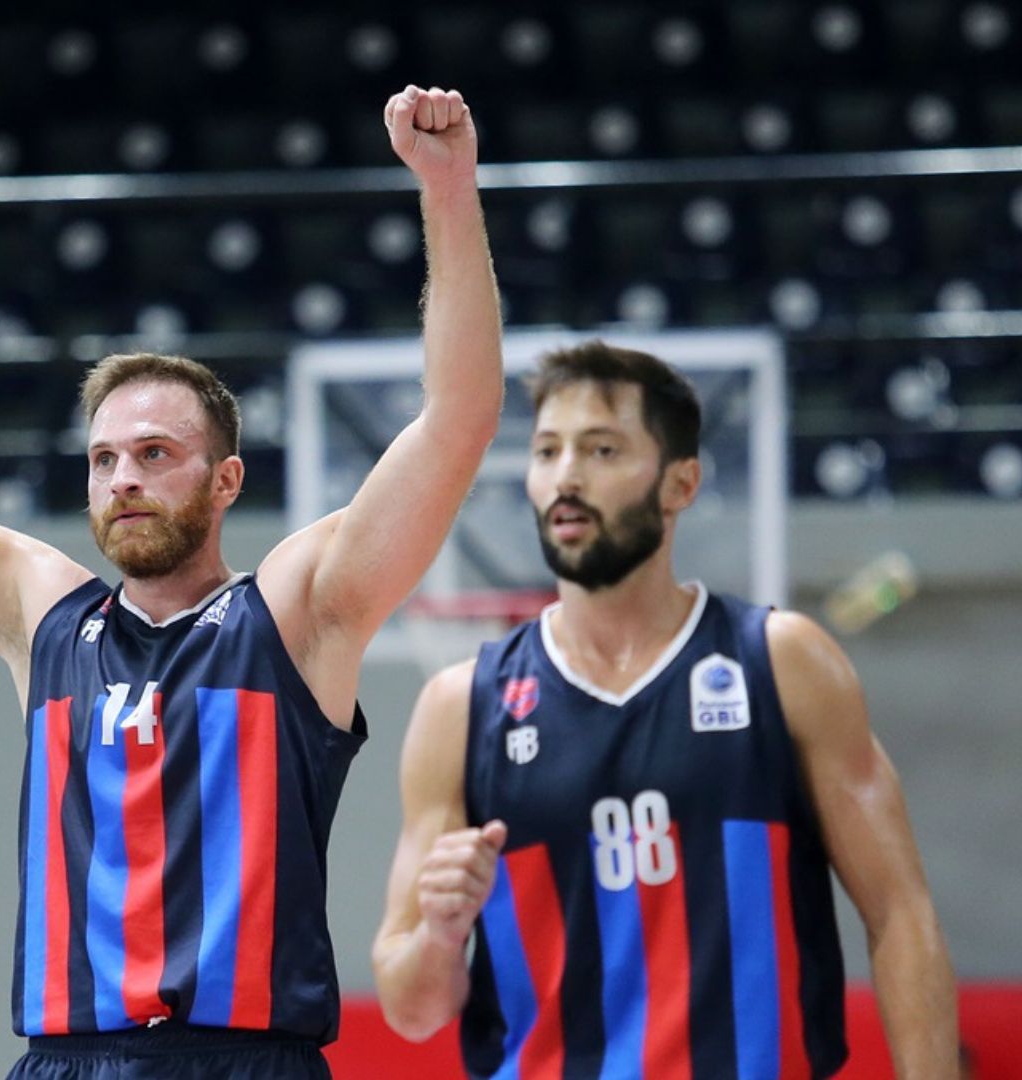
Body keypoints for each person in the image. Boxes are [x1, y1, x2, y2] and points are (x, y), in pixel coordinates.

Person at [0, 85, 501, 1079]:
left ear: (226, 481)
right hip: (68, 1059)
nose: (124, 479)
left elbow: (455, 422)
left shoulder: (294, 613)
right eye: (104, 460)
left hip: (247, 1061)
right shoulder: (42, 615)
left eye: (155, 454)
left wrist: (448, 191)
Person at [372, 342, 958, 1078]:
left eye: (602, 449)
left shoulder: (783, 662)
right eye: (547, 451)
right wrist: (438, 932)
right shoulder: (461, 705)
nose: (567, 476)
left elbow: (900, 914)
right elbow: (412, 1010)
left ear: (681, 483)